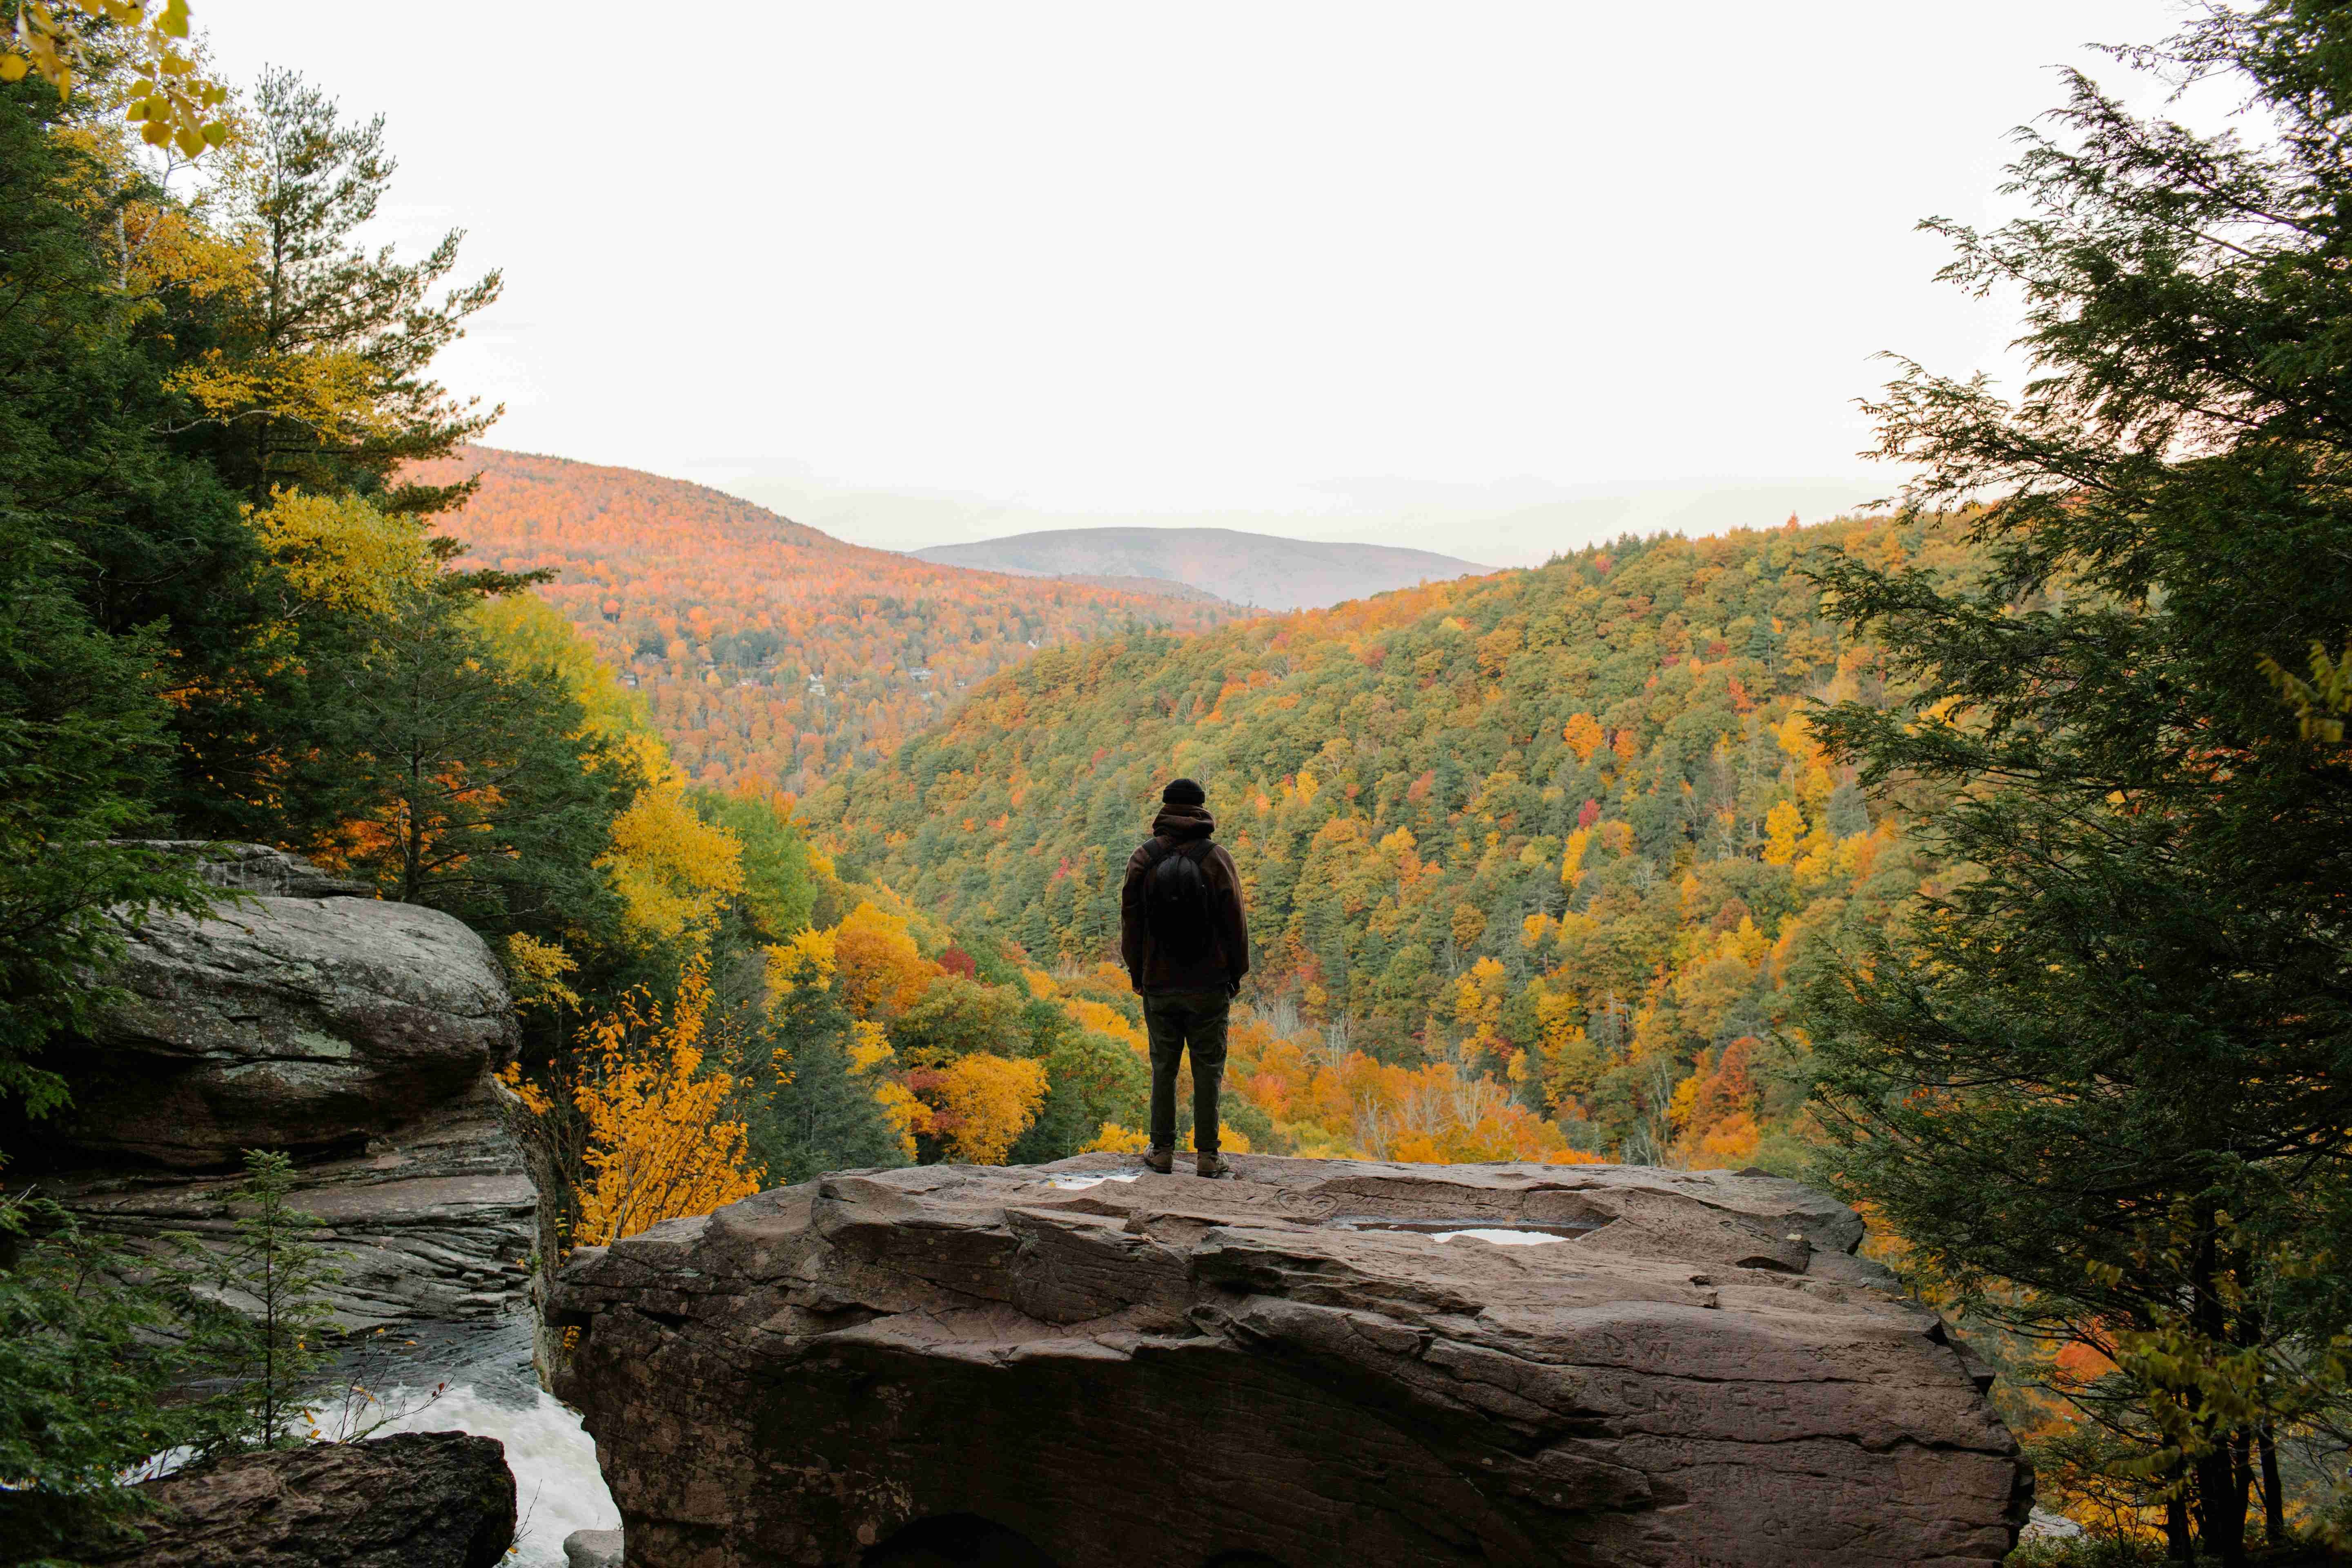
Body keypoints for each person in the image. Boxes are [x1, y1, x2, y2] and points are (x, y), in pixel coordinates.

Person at [1119, 777, 1250, 1178]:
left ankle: (1161, 1151)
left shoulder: (1144, 859)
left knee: (1164, 1065)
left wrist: (1138, 972)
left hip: (1158, 980)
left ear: (1165, 809)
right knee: (1208, 1067)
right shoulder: (1216, 858)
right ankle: (1209, 1157)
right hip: (1209, 982)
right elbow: (1236, 922)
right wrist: (1236, 972)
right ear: (1200, 811)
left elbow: (1131, 921)